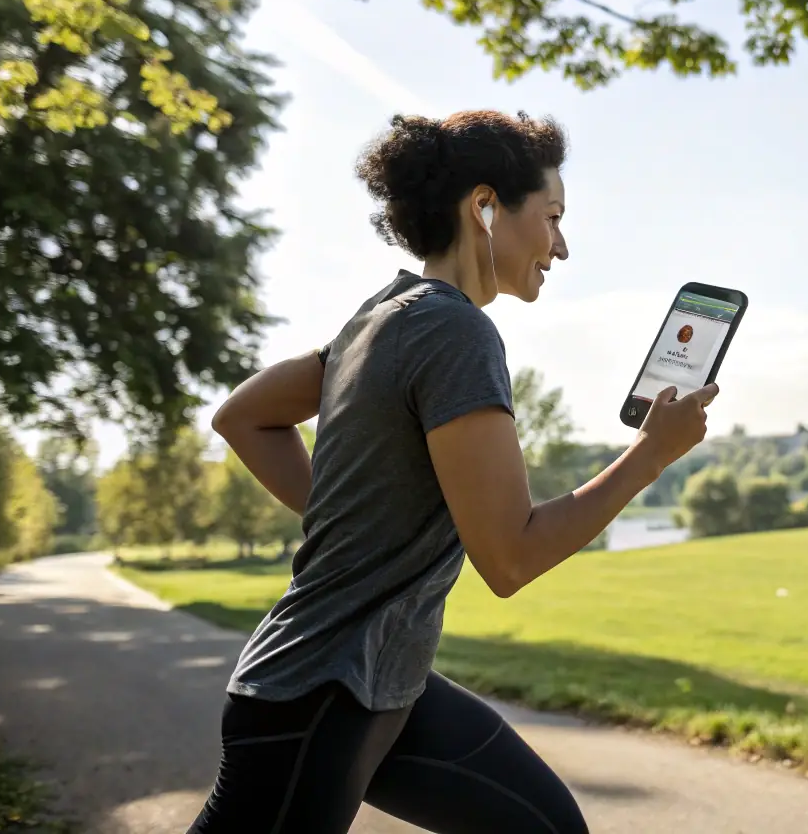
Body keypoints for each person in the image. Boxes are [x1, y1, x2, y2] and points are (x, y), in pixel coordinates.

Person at [188, 111, 719, 834]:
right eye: (553, 217)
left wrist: (362, 519)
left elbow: (242, 416)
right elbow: (510, 556)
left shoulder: (380, 316)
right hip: (317, 693)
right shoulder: (454, 330)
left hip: (382, 684)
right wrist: (650, 454)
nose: (561, 246)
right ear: (484, 206)